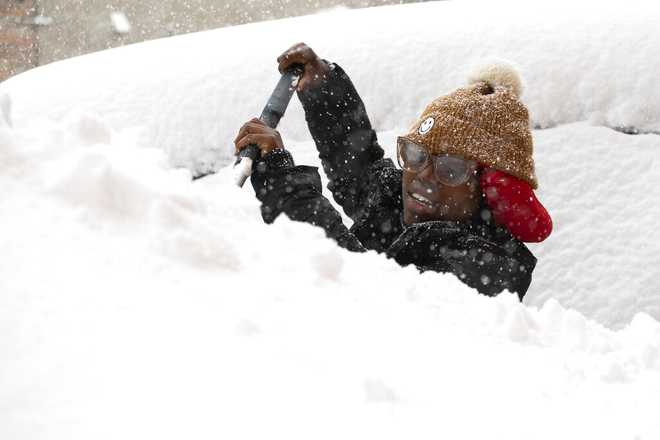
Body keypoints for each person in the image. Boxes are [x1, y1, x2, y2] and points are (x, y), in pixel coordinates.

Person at [234, 43, 552, 299]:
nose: (422, 176)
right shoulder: (404, 207)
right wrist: (323, 88)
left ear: (489, 190)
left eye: (451, 169)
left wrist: (284, 181)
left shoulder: (490, 270)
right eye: (415, 154)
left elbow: (365, 296)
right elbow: (358, 168)